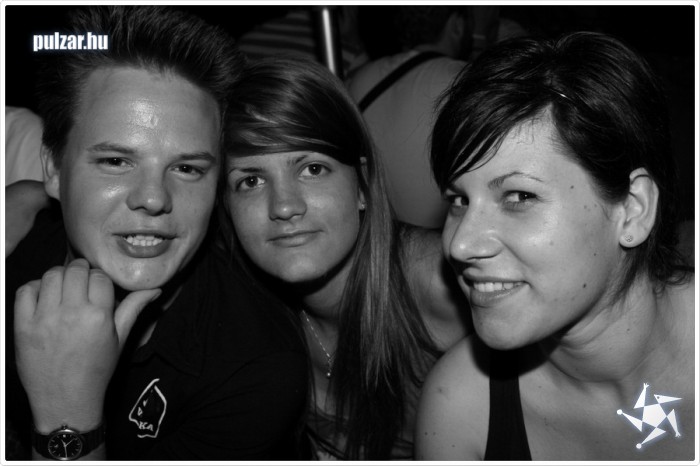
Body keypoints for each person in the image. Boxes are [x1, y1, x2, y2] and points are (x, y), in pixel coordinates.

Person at [6, 6, 307, 460]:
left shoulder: (255, 368)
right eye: (115, 161)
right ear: (53, 168)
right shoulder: (17, 248)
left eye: (187, 168)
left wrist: (67, 417)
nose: (153, 198)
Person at [416, 32, 694, 461]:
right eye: (459, 200)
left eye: (519, 197)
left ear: (632, 210)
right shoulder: (459, 410)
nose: (461, 244)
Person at [220, 57, 470, 459]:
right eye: (250, 180)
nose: (284, 206)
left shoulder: (443, 285)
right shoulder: (240, 313)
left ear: (362, 185)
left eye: (312, 169)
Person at [346, 6, 472, 228]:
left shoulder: (358, 78)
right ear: (457, 25)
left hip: (375, 234)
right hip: (436, 239)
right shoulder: (469, 80)